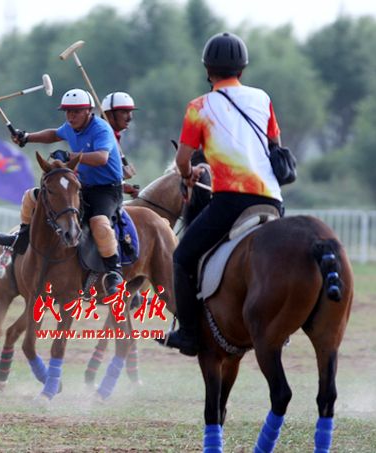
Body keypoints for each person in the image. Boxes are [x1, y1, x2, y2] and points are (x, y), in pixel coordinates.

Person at [158, 32, 284, 356]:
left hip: (231, 201)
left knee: (182, 258)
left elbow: (182, 160)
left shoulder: (199, 107)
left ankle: (188, 334)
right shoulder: (262, 98)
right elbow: (275, 145)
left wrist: (188, 174)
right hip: (273, 200)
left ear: (207, 69)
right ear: (242, 68)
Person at [0, 88, 125, 295]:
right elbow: (54, 134)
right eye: (67, 111)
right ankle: (23, 237)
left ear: (88, 111)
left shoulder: (101, 129)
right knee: (31, 196)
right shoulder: (71, 126)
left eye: (76, 111)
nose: (70, 116)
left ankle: (114, 271)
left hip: (107, 190)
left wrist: (69, 155)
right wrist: (27, 137)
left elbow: (101, 158)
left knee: (99, 222)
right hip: (81, 186)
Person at [102, 91, 139, 198]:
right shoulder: (102, 135)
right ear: (109, 114)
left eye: (130, 112)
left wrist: (124, 186)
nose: (130, 117)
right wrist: (120, 175)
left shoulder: (114, 135)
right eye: (124, 112)